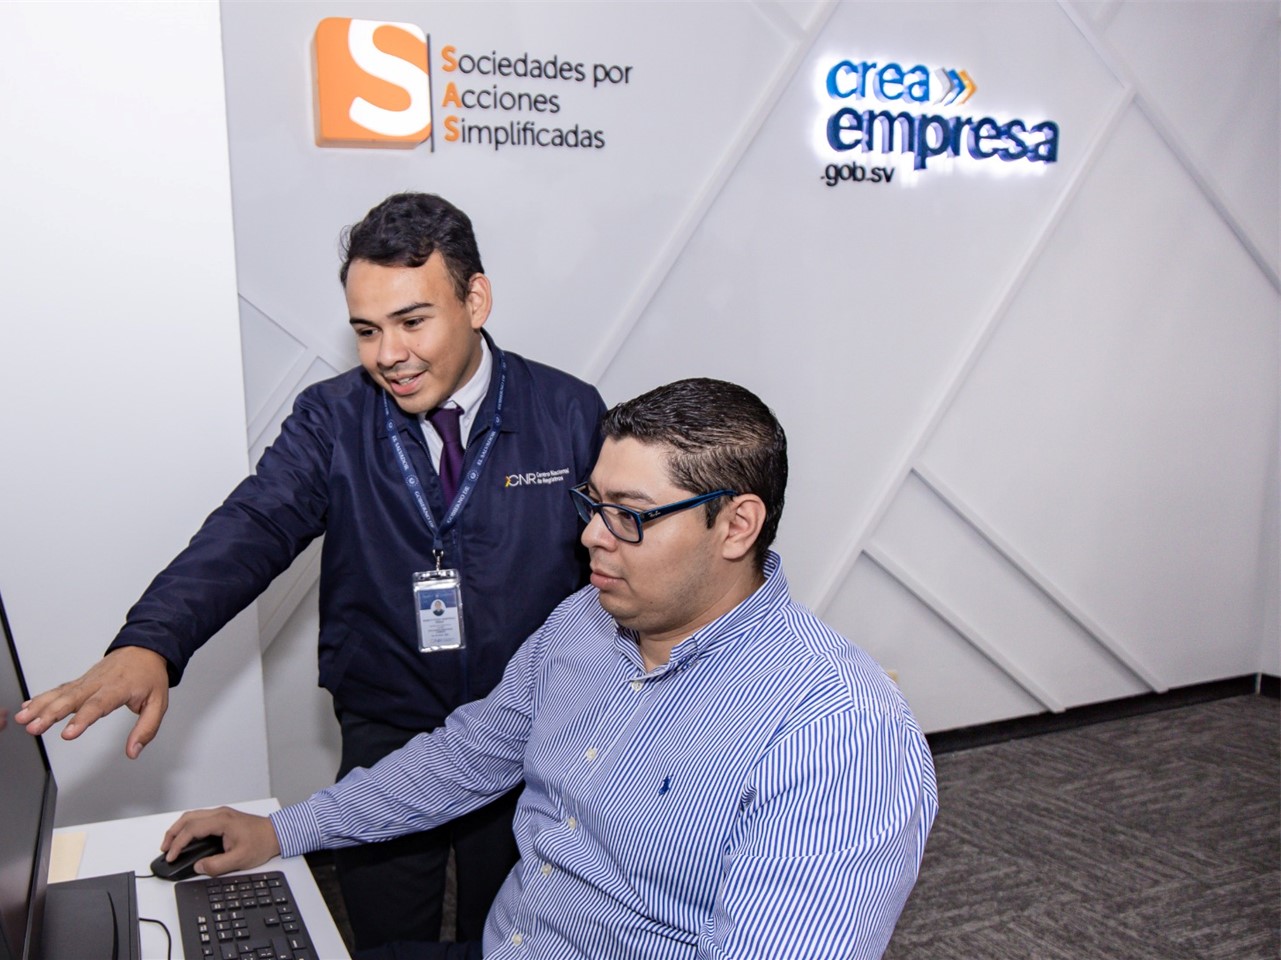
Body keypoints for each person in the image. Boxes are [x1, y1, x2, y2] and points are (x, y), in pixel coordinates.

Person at [162, 378, 939, 960]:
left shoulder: (837, 731)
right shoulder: (583, 623)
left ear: (736, 525)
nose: (591, 536)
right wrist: (282, 830)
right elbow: (463, 758)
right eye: (590, 504)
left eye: (628, 514)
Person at [16, 193, 606, 950]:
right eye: (367, 330)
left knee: (515, 935)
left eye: (412, 321)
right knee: (385, 938)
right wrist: (151, 640)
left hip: (529, 729)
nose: (387, 354)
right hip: (386, 724)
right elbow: (254, 525)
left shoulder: (567, 411)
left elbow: (621, 562)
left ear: (476, 300)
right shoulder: (333, 417)